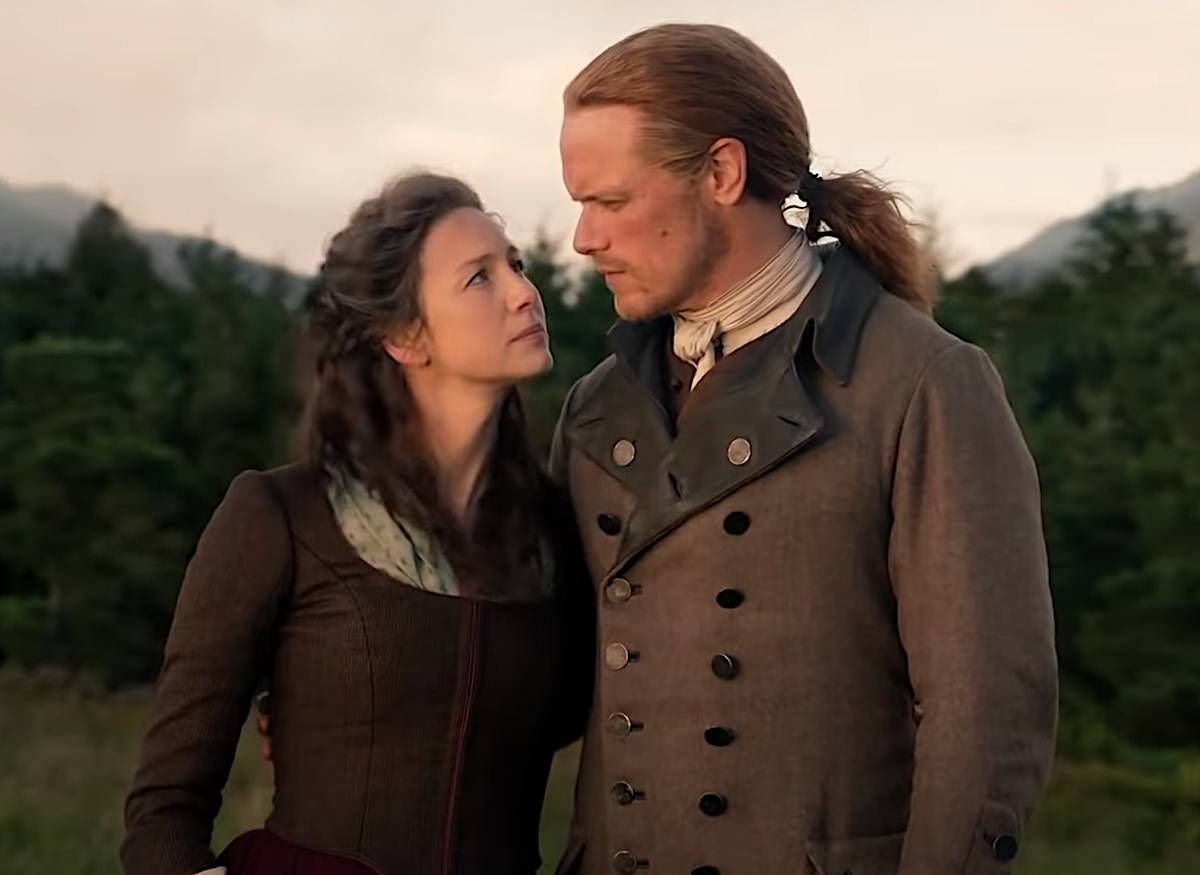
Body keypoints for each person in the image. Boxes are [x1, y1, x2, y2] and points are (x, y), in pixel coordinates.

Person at [549, 23, 1057, 875]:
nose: (584, 238)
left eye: (610, 201)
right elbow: (535, 677)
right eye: (578, 204)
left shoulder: (921, 382)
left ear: (721, 172)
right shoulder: (595, 405)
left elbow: (986, 714)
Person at [120, 172, 594, 875]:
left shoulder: (557, 531)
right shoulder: (282, 517)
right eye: (479, 278)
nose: (525, 292)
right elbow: (165, 803)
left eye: (517, 266)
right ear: (404, 336)